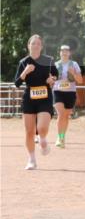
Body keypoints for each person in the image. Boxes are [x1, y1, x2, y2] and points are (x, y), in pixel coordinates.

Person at [13, 35, 57, 169]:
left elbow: (55, 75)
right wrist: (25, 71)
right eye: (33, 43)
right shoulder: (23, 62)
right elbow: (17, 83)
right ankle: (31, 160)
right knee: (29, 132)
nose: (36, 46)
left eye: (38, 44)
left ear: (41, 47)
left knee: (41, 128)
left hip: (45, 97)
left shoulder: (48, 61)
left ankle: (43, 140)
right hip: (29, 98)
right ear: (28, 46)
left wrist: (52, 80)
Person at [52, 44, 83, 148]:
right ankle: (59, 137)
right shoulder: (55, 65)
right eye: (62, 50)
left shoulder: (74, 64)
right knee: (61, 114)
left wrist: (74, 73)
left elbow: (80, 80)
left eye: (66, 51)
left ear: (69, 53)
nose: (64, 52)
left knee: (65, 116)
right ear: (60, 53)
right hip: (58, 91)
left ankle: (62, 136)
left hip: (70, 92)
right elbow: (50, 79)